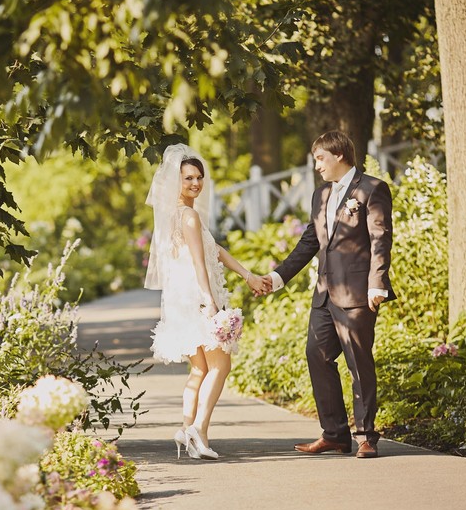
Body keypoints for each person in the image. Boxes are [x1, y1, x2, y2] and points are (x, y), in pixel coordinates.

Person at [251, 130, 395, 459]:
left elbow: (380, 239)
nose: (317, 166)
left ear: (339, 155)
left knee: (359, 363)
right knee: (316, 355)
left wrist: (378, 282)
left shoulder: (371, 189)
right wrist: (275, 278)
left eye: (320, 158)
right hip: (324, 295)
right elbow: (309, 242)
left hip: (359, 293)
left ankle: (366, 436)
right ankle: (334, 434)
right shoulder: (320, 195)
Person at [145, 143, 262, 461]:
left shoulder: (175, 216)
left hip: (182, 301)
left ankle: (186, 430)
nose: (195, 183)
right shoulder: (190, 217)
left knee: (199, 370)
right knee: (221, 366)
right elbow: (199, 262)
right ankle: (200, 428)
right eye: (188, 178)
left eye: (199, 177)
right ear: (176, 181)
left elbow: (215, 250)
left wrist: (247, 274)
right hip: (198, 299)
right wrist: (210, 302)